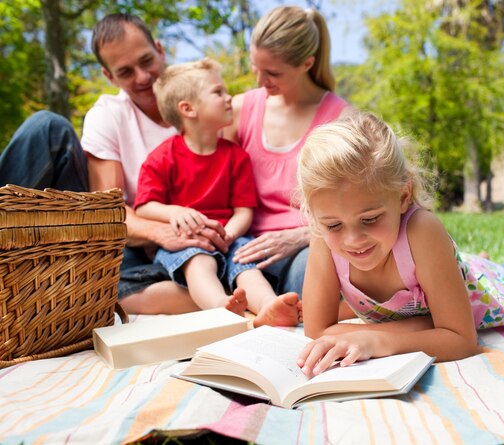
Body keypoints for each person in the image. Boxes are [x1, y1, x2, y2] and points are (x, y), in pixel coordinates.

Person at [294, 112, 504, 376]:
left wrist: (375, 341)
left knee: (493, 275)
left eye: (370, 219)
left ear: (403, 196)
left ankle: (490, 266)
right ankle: (476, 260)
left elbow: (461, 340)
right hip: (433, 288)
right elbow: (316, 331)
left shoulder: (422, 231)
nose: (353, 239)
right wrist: (427, 326)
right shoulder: (322, 238)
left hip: (485, 289)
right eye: (333, 225)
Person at [0, 14, 225, 314]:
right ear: (109, 76)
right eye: (126, 71)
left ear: (160, 49)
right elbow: (108, 211)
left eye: (147, 61)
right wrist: (160, 232)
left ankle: (199, 292)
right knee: (47, 126)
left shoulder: (207, 105)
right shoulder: (108, 114)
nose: (143, 77)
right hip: (120, 236)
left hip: (183, 250)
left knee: (203, 270)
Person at [134, 58, 301, 326]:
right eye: (217, 92)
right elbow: (144, 206)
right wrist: (175, 212)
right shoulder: (162, 157)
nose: (228, 98)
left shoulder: (235, 157)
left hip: (230, 236)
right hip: (186, 239)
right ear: (188, 109)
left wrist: (230, 234)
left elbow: (243, 211)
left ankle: (270, 307)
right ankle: (219, 310)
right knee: (198, 259)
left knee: (246, 262)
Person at [223, 6, 348, 297]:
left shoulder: (340, 120)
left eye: (272, 73)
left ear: (306, 64)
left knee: (310, 282)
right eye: (256, 68)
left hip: (306, 243)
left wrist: (304, 235)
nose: (259, 81)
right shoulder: (240, 109)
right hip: (243, 244)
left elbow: (356, 204)